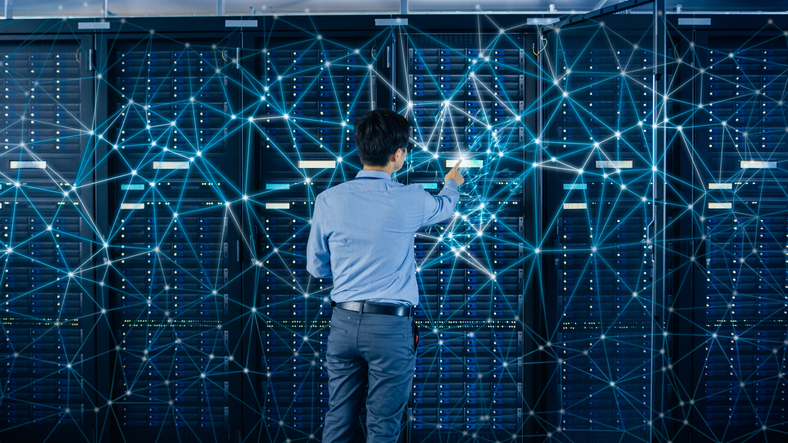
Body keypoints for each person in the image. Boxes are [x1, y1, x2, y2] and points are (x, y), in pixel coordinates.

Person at [306, 108, 465, 443]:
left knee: (338, 419)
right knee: (383, 427)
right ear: (397, 155)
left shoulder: (328, 200)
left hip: (343, 323)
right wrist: (452, 182)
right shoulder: (410, 198)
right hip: (390, 329)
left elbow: (316, 268)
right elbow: (445, 207)